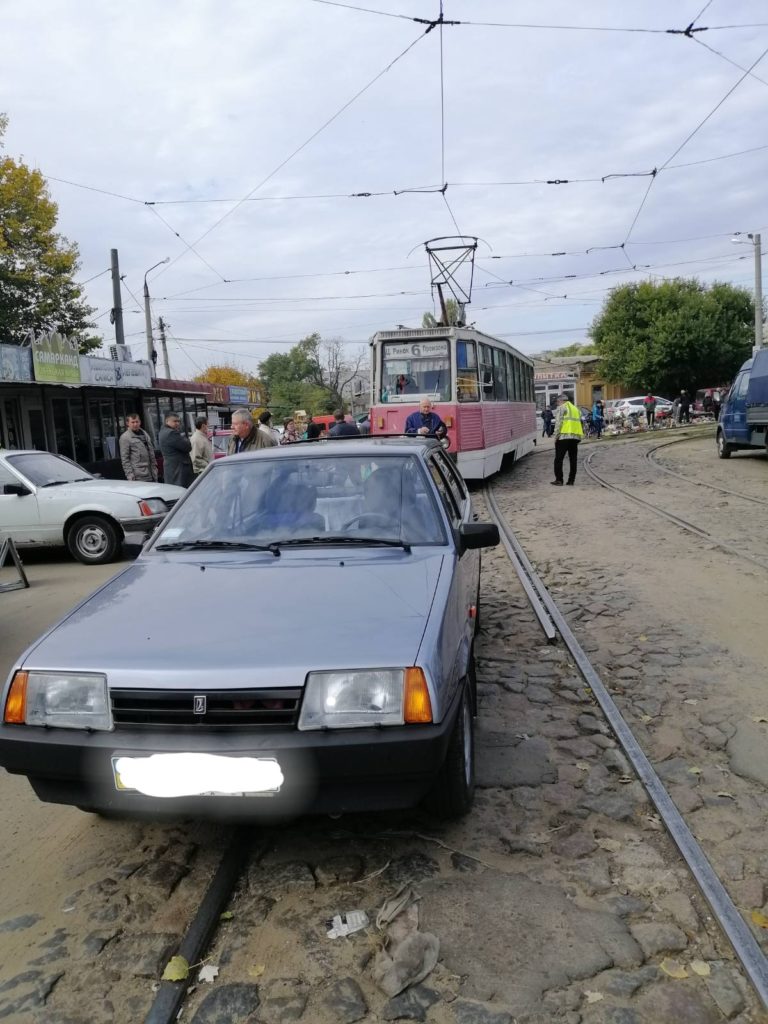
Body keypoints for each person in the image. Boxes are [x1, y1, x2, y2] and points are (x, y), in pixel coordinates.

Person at [552, 393, 584, 486]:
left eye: (557, 402)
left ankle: (559, 480)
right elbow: (579, 422)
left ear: (561, 401)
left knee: (558, 459)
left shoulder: (562, 408)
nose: (557, 404)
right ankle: (571, 481)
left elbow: (558, 423)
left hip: (563, 437)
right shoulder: (576, 409)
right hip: (575, 437)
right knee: (573, 459)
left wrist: (556, 436)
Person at [119, 413, 158, 482]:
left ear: (140, 422)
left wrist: (155, 468)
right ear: (127, 423)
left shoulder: (144, 433)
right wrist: (130, 476)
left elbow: (151, 451)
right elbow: (125, 459)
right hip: (138, 475)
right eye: (133, 422)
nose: (135, 424)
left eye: (137, 422)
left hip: (151, 472)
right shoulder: (125, 437)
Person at [159, 412, 194, 488]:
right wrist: (184, 438)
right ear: (167, 421)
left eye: (178, 421)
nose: (177, 423)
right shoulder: (172, 433)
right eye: (174, 421)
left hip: (173, 469)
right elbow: (188, 447)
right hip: (178, 470)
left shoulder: (163, 431)